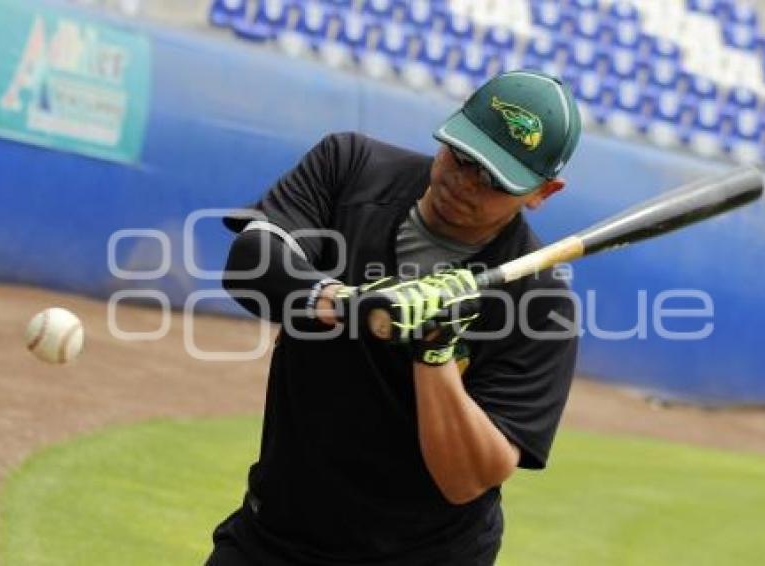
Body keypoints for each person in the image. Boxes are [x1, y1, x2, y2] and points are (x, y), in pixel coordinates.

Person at [208, 70, 582, 565]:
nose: (464, 182)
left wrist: (435, 348)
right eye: (461, 156)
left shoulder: (544, 304)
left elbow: (467, 478)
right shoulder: (350, 168)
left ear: (542, 192)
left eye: (493, 179)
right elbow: (251, 267)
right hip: (277, 532)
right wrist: (350, 303)